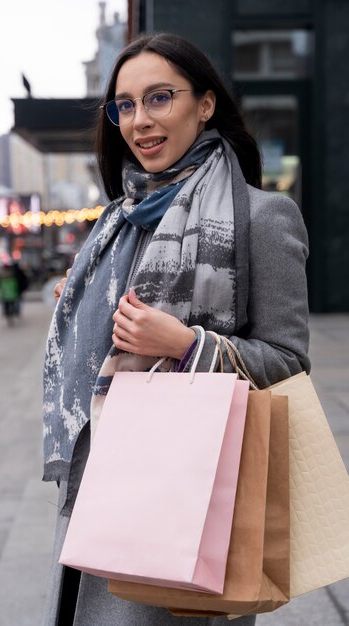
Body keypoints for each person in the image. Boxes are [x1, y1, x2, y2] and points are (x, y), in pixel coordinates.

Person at [43, 33, 310, 626]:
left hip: (189, 499)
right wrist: (84, 299)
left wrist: (188, 345)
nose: (140, 121)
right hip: (102, 490)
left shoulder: (263, 218)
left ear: (206, 103)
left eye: (160, 98)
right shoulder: (115, 222)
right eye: (126, 106)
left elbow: (289, 360)